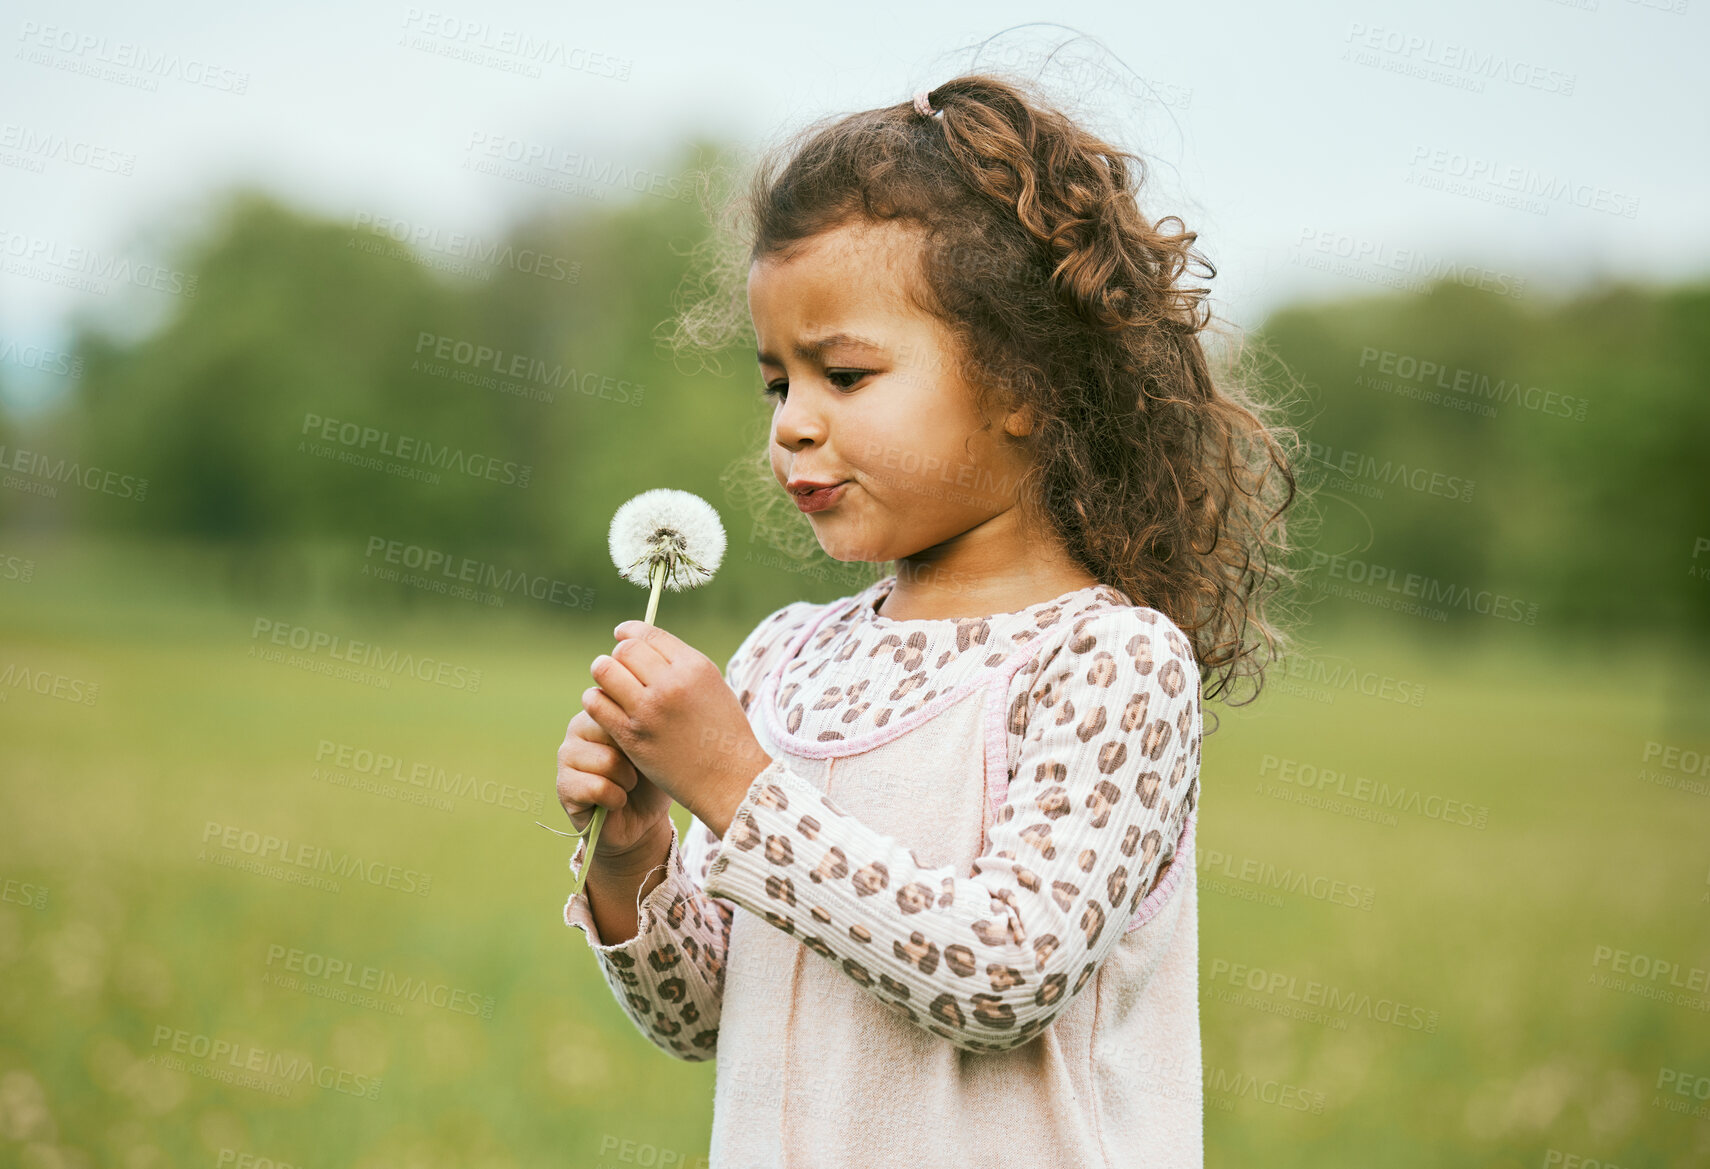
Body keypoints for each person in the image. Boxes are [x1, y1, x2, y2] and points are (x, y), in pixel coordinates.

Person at [555, 72, 1302, 1169]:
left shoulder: (1108, 661)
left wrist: (735, 783)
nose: (795, 426)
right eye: (776, 383)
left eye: (845, 374)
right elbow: (710, 1016)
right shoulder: (788, 657)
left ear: (1024, 383)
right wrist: (636, 856)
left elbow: (1003, 979)